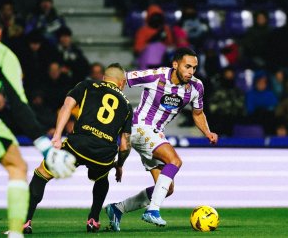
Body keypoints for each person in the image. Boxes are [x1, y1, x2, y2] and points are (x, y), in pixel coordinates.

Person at [0, 6, 76, 238]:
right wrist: (46, 147)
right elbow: (18, 105)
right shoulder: (5, 55)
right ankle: (16, 233)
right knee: (17, 166)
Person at [105, 47, 218, 231]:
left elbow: (198, 113)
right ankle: (153, 211)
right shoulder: (156, 76)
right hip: (139, 127)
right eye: (187, 67)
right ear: (175, 64)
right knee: (174, 160)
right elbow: (122, 78)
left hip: (156, 133)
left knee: (167, 188)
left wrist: (208, 132)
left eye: (194, 68)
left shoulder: (196, 87)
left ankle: (118, 208)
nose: (191, 72)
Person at [22, 63, 133, 234]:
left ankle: (25, 221)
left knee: (41, 174)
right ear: (122, 83)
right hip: (104, 154)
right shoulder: (127, 106)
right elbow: (125, 144)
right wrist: (119, 165)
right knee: (102, 178)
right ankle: (93, 220)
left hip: (78, 144)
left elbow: (66, 107)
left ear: (104, 77)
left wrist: (57, 136)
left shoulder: (87, 85)